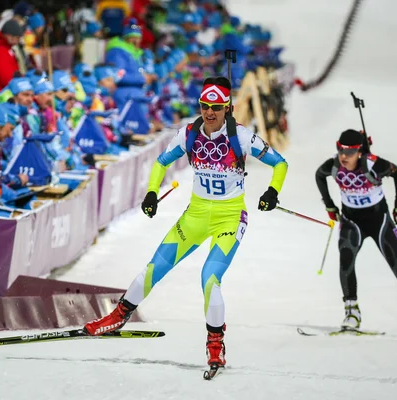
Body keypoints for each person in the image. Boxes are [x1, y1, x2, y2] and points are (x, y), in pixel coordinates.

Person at [83, 76, 288, 368]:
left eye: (216, 107)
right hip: (195, 215)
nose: (210, 112)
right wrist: (152, 193)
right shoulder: (189, 133)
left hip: (229, 217)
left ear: (227, 107)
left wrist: (272, 191)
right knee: (154, 267)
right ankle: (118, 317)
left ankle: (215, 343)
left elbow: (280, 163)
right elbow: (161, 162)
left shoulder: (241, 137)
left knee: (210, 279)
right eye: (205, 105)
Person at [314, 129, 397, 340]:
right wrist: (330, 206)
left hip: (380, 222)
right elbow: (319, 175)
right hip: (352, 222)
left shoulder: (373, 164)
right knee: (346, 261)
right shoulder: (333, 166)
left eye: (349, 152)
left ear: (359, 152)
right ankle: (352, 313)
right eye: (340, 150)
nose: (343, 156)